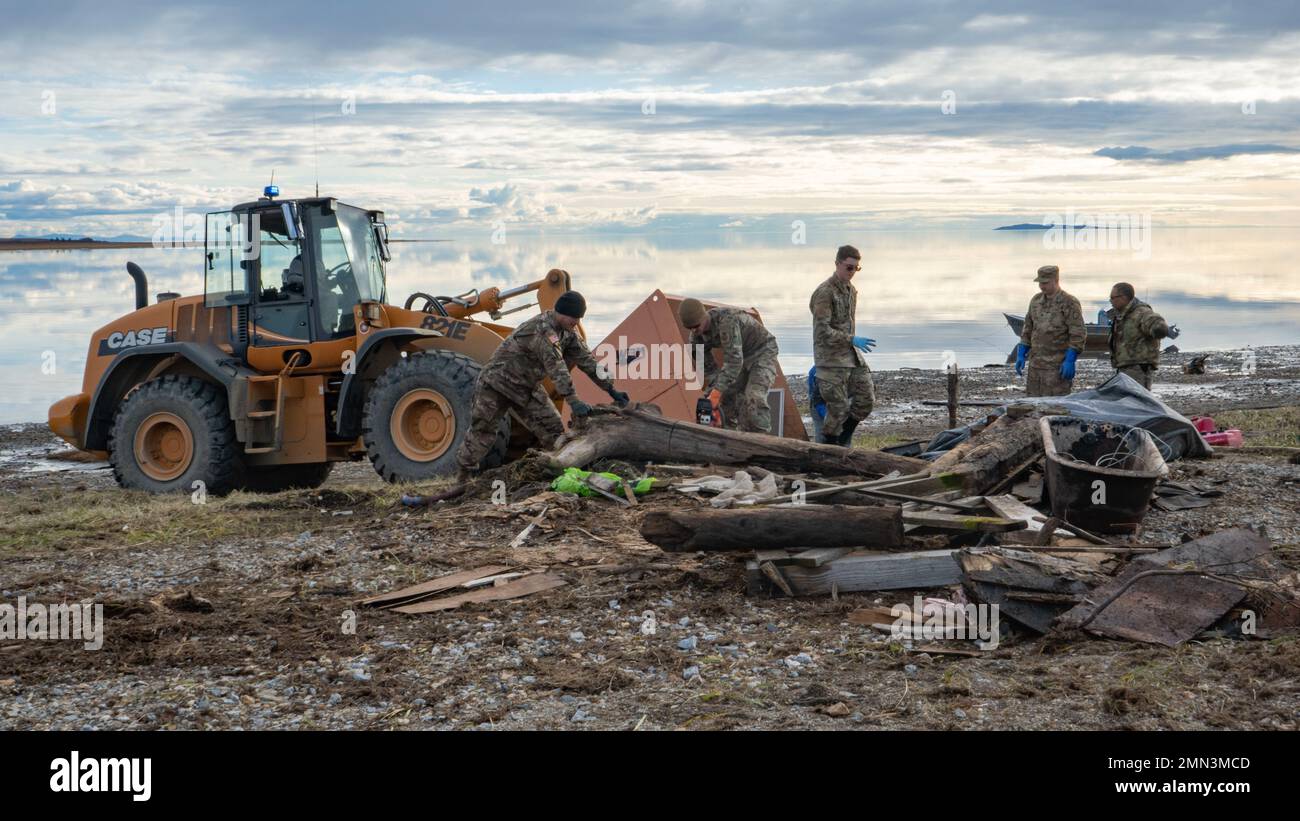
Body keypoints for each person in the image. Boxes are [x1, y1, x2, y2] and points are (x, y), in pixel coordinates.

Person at [455, 290, 628, 482]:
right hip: (496, 383)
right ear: (562, 312)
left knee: (553, 430)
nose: (576, 322)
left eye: (579, 318)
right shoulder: (543, 329)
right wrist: (573, 400)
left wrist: (611, 389)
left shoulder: (568, 332)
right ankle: (463, 476)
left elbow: (588, 361)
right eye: (574, 317)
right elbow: (557, 368)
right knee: (483, 430)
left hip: (526, 387)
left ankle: (556, 472)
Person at [679, 297, 781, 434]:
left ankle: (764, 441)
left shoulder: (727, 321)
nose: (694, 331)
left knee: (754, 397)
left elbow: (734, 362)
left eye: (696, 326)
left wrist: (716, 393)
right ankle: (730, 436)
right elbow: (708, 369)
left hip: (762, 351)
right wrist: (713, 393)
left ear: (704, 317)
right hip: (740, 356)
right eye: (689, 328)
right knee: (725, 396)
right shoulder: (695, 339)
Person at [809, 244, 875, 445]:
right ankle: (830, 447)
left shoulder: (851, 291)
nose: (853, 272)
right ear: (837, 264)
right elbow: (822, 331)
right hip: (830, 360)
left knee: (866, 400)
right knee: (837, 410)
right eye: (849, 267)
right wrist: (851, 339)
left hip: (851, 356)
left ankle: (842, 440)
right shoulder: (824, 292)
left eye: (856, 268)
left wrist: (852, 342)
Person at [1016, 265, 1086, 397]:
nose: (1042, 286)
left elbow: (1078, 334)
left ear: (1055, 280)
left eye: (1046, 283)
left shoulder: (1069, 302)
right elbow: (1028, 329)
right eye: (1040, 283)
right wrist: (1021, 354)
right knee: (1032, 407)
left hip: (1056, 367)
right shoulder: (1036, 301)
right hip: (1035, 367)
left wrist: (1070, 360)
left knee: (1055, 409)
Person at [1107, 282, 1170, 390]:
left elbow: (1155, 322)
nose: (1111, 301)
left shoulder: (1141, 312)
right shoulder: (1122, 315)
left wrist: (1158, 329)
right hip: (1124, 367)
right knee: (1126, 401)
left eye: (1113, 298)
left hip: (1139, 368)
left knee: (1137, 401)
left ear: (1124, 298)